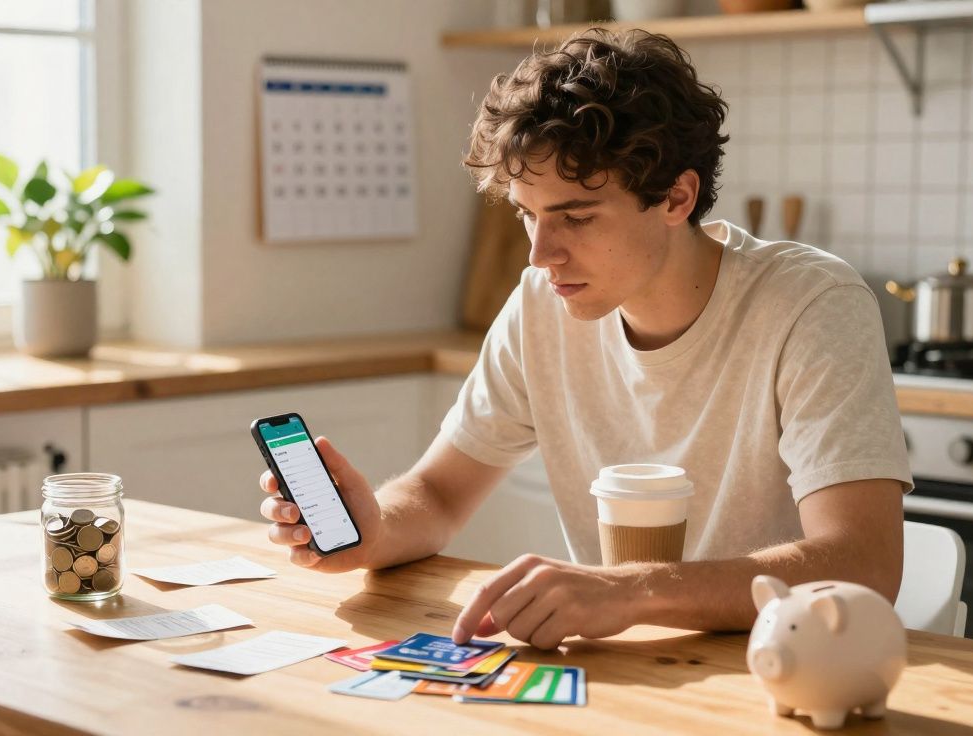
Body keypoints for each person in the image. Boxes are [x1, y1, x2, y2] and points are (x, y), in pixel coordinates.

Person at [257, 28, 912, 650]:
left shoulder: (810, 304)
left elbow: (862, 564)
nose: (541, 254)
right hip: (619, 672)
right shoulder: (539, 308)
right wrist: (373, 530)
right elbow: (437, 493)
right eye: (528, 215)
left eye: (575, 217)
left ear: (678, 197)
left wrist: (630, 591)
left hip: (791, 668)